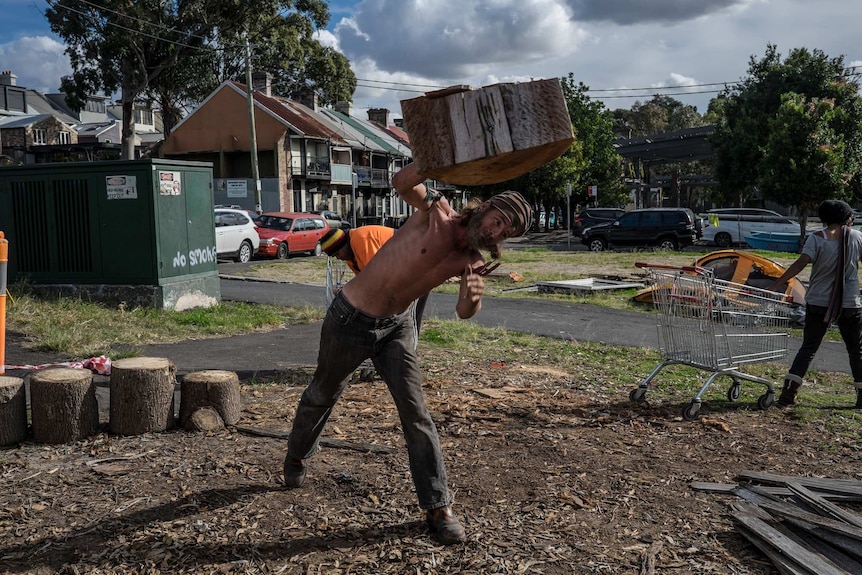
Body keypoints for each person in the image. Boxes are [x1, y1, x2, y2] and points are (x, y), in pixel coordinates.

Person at [282, 163, 532, 545]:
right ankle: (297, 457)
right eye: (498, 220)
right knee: (322, 394)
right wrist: (433, 160)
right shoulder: (436, 210)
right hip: (351, 316)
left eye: (505, 231)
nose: (496, 231)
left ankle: (438, 507)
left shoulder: (473, 262)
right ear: (486, 207)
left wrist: (473, 297)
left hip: (397, 327)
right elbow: (402, 182)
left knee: (417, 414)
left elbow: (465, 312)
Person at [768, 199, 862, 408]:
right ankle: (861, 396)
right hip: (849, 302)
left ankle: (788, 394)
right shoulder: (857, 237)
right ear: (847, 219)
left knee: (809, 346)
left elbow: (801, 263)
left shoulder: (817, 239)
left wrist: (778, 284)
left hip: (819, 300)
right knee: (856, 350)